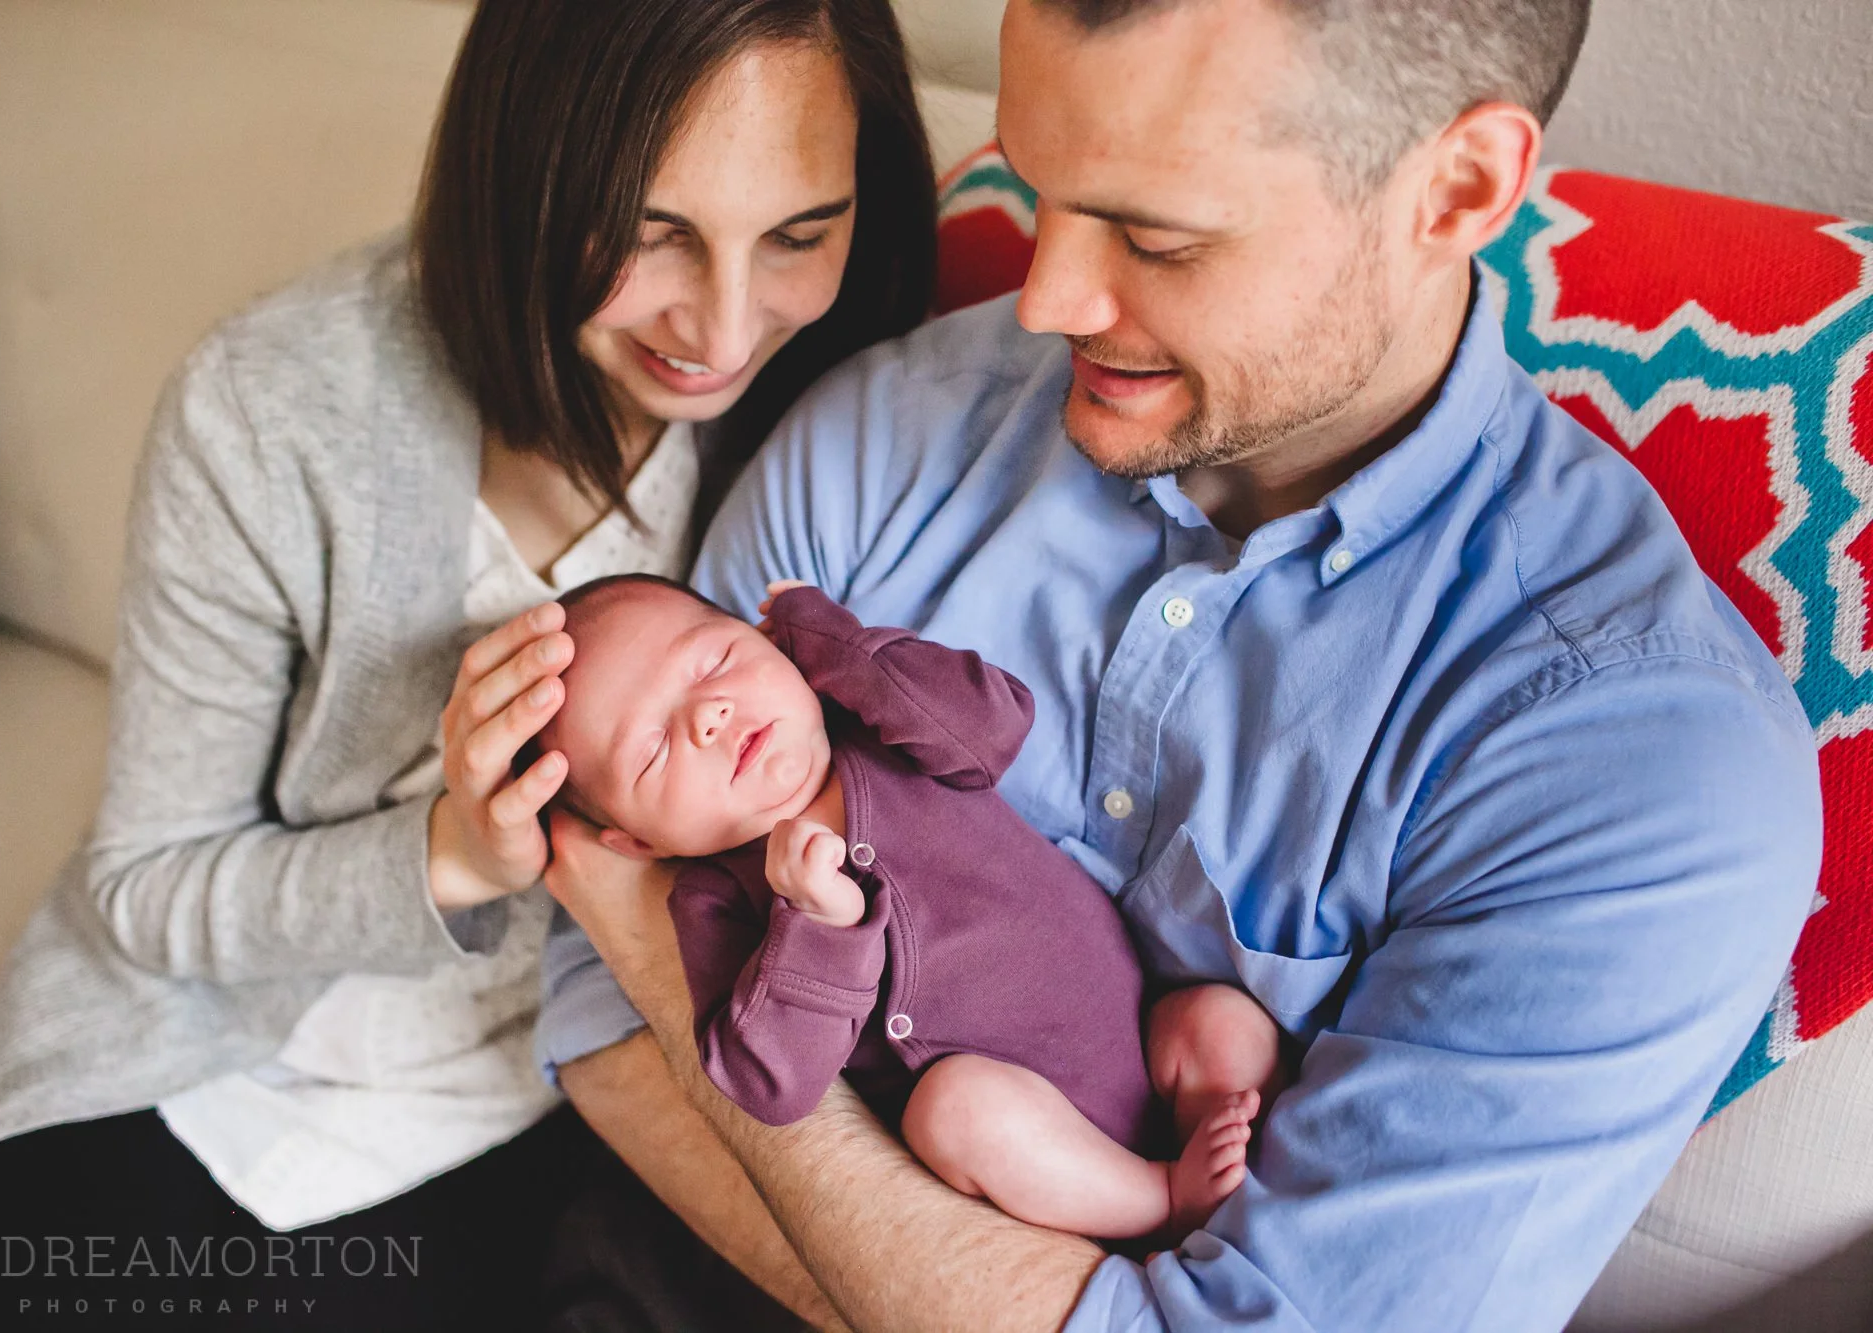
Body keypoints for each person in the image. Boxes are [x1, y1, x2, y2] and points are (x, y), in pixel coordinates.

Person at [538, 0, 1826, 1329]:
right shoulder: (883, 441)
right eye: (1040, 194)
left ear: (1453, 190)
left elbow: (627, 935)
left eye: (1157, 236)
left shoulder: (1638, 766)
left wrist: (650, 943)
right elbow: (592, 1011)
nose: (1043, 299)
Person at [0, 0, 934, 1327]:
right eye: (655, 233)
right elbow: (148, 881)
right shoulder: (275, 410)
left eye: (799, 233)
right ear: (522, 171)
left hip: (558, 1111)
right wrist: (451, 852)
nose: (724, 326)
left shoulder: (837, 419)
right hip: (199, 1064)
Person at [535, 573, 1278, 1239]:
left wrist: (836, 644)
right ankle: (1159, 1200)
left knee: (1223, 1021)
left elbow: (998, 722)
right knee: (952, 1110)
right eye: (654, 750)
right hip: (1030, 1145)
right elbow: (766, 1083)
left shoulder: (881, 721)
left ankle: (1262, 1189)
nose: (708, 715)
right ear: (635, 841)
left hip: (1144, 1040)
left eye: (716, 661)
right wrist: (816, 923)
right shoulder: (717, 897)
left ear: (766, 639)